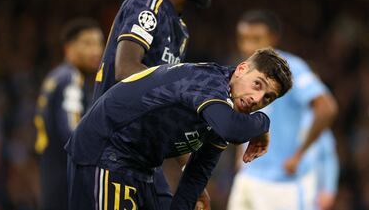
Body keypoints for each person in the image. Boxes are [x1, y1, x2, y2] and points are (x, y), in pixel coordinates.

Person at [65, 48, 293, 210]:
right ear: (242, 69)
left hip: (139, 166)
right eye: (257, 84)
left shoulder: (226, 109)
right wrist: (263, 124)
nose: (257, 99)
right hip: (105, 152)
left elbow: (197, 174)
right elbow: (231, 130)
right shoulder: (208, 83)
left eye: (268, 98)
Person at [92, 0, 213, 209]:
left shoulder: (181, 31)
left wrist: (191, 176)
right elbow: (126, 69)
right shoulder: (147, 3)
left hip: (144, 160)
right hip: (113, 152)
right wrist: (183, 97)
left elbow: (164, 112)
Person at [227, 10, 339, 210]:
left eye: (256, 39)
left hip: (280, 185)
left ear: (273, 38)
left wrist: (299, 155)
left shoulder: (291, 68)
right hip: (247, 177)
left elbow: (327, 108)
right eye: (243, 39)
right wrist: (239, 156)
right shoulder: (243, 70)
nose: (248, 46)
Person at [34, 18, 104, 210]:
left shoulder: (55, 76)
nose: (96, 51)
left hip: (51, 172)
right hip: (66, 177)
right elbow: (71, 129)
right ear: (68, 48)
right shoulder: (71, 78)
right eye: (87, 43)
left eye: (99, 43)